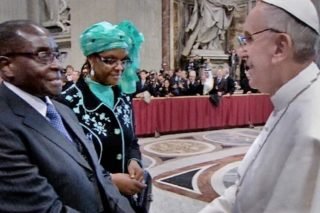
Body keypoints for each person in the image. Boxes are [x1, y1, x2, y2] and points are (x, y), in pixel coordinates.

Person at [0, 20, 134, 212]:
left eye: (56, 55)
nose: (58, 66)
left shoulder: (61, 110)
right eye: (43, 55)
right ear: (7, 66)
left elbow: (97, 173)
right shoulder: (4, 126)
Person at [200, 0, 320, 212]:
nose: (240, 51)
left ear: (280, 47)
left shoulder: (313, 131)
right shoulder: (288, 101)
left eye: (248, 39)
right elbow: (243, 192)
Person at [58, 21, 151, 212]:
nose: (119, 67)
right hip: (89, 202)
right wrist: (110, 181)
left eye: (124, 60)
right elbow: (65, 165)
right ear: (91, 58)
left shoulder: (123, 96)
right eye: (110, 60)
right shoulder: (67, 102)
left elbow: (132, 141)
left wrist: (134, 161)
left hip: (124, 202)